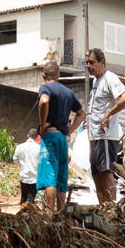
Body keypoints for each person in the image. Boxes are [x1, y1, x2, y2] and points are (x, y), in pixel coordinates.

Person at [80, 47, 125, 206]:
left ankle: (112, 207)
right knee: (96, 172)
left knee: (105, 171)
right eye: (87, 63)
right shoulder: (96, 81)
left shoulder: (109, 78)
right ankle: (103, 207)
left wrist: (108, 115)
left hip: (105, 135)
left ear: (102, 62)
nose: (89, 66)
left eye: (92, 62)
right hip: (95, 135)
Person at [32, 65, 81, 215]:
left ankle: (48, 215)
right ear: (58, 75)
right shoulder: (68, 92)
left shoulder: (46, 88)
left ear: (43, 75)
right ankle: (60, 215)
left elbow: (44, 101)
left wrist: (42, 123)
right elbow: (82, 113)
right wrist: (69, 132)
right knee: (61, 178)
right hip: (62, 139)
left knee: (49, 177)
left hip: (51, 137)